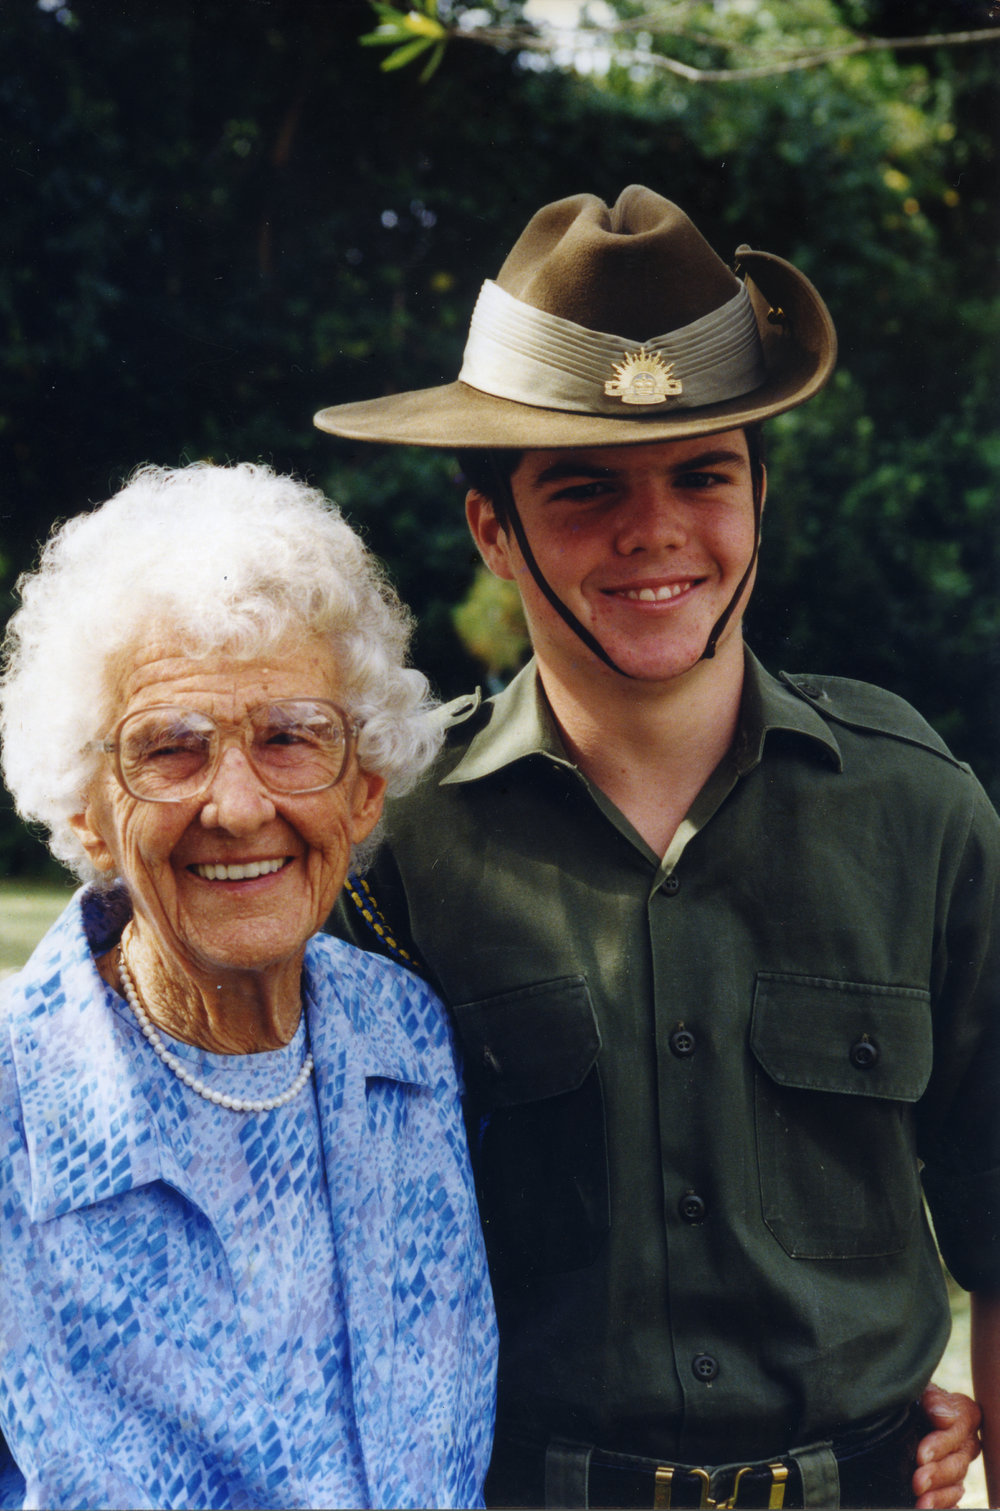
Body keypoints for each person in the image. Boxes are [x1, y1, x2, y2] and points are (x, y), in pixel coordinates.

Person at [314, 187, 998, 1509]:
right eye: (584, 487)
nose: (657, 529)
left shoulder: (920, 815)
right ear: (491, 532)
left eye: (704, 471)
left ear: (759, 494)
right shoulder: (389, 845)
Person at [0, 462, 497, 1510]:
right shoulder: (15, 1103)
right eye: (169, 749)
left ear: (363, 789)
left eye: (289, 738)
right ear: (85, 810)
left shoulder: (407, 1038)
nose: (234, 804)